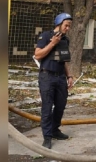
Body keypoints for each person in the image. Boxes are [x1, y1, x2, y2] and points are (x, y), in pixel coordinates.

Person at [34, 13, 74, 149]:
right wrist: (52, 43)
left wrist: (69, 76)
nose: (68, 28)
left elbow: (63, 61)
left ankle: (55, 130)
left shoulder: (65, 40)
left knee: (61, 105)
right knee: (47, 107)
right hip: (47, 76)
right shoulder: (46, 36)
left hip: (60, 77)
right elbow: (38, 55)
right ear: (59, 23)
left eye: (69, 26)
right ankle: (47, 137)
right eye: (66, 25)